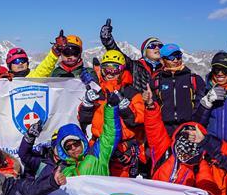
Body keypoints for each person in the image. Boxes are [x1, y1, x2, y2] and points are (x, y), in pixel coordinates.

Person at [78, 50, 145, 178]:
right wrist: (87, 104)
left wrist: (125, 107)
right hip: (98, 145)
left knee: (119, 187)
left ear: (122, 70)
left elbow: (138, 120)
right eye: (106, 69)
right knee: (94, 182)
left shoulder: (131, 93)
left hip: (121, 148)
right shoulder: (98, 91)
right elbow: (83, 120)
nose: (109, 73)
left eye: (114, 69)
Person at [22, 96, 120, 178]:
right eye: (68, 147)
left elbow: (110, 135)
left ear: (82, 141)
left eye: (76, 144)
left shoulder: (97, 155)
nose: (73, 148)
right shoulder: (62, 172)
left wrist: (111, 108)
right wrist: (29, 137)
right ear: (63, 151)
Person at [150, 43, 205, 134]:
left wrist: (194, 124)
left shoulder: (194, 79)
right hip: (164, 130)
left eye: (178, 56)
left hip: (188, 129)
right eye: (171, 57)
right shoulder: (156, 81)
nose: (175, 60)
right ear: (162, 60)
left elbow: (200, 105)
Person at [99, 18, 163, 92]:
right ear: (144, 51)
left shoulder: (166, 69)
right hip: (138, 102)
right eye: (152, 46)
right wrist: (108, 41)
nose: (157, 48)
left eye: (160, 46)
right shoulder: (136, 66)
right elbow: (118, 56)